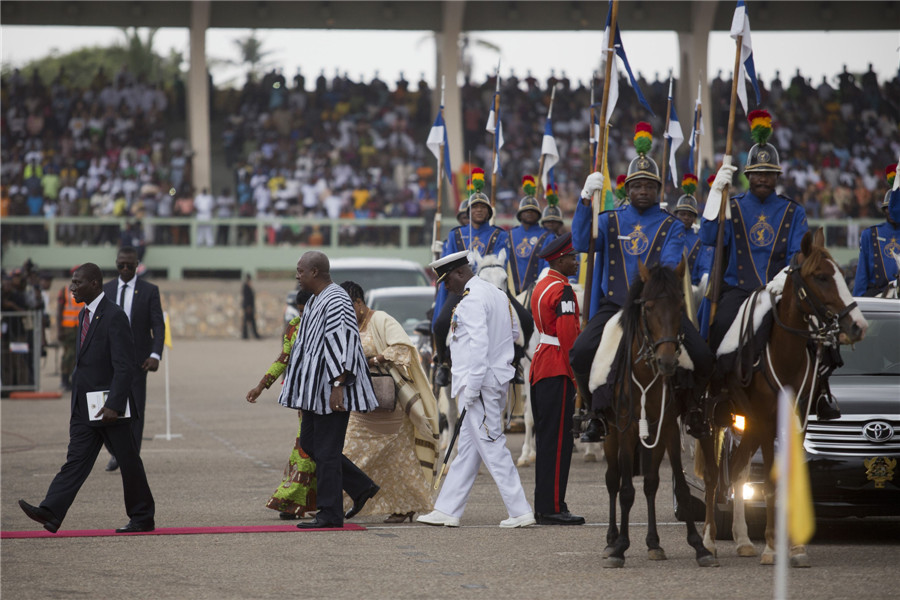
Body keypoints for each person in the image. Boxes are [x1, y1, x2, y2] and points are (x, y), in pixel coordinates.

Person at [570, 122, 713, 439]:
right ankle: (595, 413)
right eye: (637, 185)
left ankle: (692, 410)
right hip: (615, 307)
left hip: (658, 308)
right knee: (580, 353)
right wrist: (584, 201)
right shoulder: (608, 220)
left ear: (659, 190)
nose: (643, 190)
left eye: (650, 185)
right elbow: (580, 242)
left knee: (702, 357)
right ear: (627, 189)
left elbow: (672, 262)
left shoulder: (672, 225)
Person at [18, 263, 155, 534]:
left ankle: (143, 517)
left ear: (94, 284)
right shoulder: (84, 314)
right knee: (76, 459)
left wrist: (115, 404)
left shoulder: (114, 316)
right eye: (72, 282)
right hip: (85, 407)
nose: (71, 288)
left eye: (77, 283)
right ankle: (52, 511)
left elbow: (124, 365)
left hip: (109, 408)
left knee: (128, 462)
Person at [417, 250, 535, 528]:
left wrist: (471, 389)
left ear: (460, 273)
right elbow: (516, 333)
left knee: (493, 446)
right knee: (468, 450)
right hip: (493, 380)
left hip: (479, 385)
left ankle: (520, 510)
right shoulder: (496, 293)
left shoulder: (471, 300)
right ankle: (448, 509)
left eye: (447, 281)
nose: (447, 287)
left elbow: (478, 347)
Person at [277, 251, 380, 529]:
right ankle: (360, 487)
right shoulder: (314, 300)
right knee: (312, 444)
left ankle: (330, 514)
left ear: (315, 272)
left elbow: (343, 344)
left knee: (326, 451)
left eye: (300, 271)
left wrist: (338, 386)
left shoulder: (336, 300)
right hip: (313, 393)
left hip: (331, 390)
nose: (297, 276)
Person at [339, 281, 440, 523]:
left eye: (348, 308)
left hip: (389, 403)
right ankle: (335, 502)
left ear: (360, 304)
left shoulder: (381, 319)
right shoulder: (347, 325)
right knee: (348, 451)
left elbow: (404, 349)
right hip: (360, 403)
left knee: (399, 460)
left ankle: (405, 508)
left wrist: (374, 360)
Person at [431, 168, 509, 387]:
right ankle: (443, 364)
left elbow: (504, 258)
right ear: (469, 210)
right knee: (440, 323)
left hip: (492, 287)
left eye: (483, 207)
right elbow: (448, 262)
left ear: (489, 211)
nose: (479, 210)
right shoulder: (456, 234)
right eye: (475, 207)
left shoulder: (499, 234)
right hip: (463, 290)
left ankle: (519, 359)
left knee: (523, 319)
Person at [246, 289, 317, 519]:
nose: (304, 315)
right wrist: (260, 386)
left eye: (307, 311)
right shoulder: (294, 327)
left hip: (324, 398)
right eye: (300, 311)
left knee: (309, 450)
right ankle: (304, 503)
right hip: (302, 400)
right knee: (308, 449)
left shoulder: (325, 326)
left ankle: (297, 503)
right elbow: (283, 359)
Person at [529, 233, 584, 525]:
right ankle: (552, 507)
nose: (576, 262)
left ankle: (547, 504)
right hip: (557, 366)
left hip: (542, 363)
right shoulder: (563, 291)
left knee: (548, 440)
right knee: (559, 442)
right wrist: (577, 374)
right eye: (572, 257)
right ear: (560, 260)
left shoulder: (542, 285)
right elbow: (569, 337)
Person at [102, 247, 165, 472]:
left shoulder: (150, 291)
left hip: (139, 361)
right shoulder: (105, 289)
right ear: (116, 264)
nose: (126, 269)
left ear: (138, 264)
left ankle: (130, 457)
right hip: (109, 361)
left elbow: (158, 324)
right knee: (108, 407)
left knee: (136, 410)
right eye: (121, 265)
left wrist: (155, 354)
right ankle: (115, 452)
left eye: (130, 265)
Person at [853, 164, 899, 296]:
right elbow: (862, 272)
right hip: (877, 295)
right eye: (888, 208)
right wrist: (858, 301)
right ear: (884, 210)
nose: (891, 212)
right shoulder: (870, 234)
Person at [507, 175, 556, 295]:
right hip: (511, 294)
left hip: (536, 293)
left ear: (538, 215)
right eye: (526, 210)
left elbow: (548, 265)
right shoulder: (508, 235)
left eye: (533, 210)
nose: (529, 212)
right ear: (520, 214)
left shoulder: (548, 236)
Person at [56, 265, 83, 390]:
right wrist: (59, 329)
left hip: (82, 327)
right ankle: (65, 379)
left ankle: (75, 379)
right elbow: (59, 311)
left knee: (80, 354)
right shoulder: (65, 291)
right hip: (68, 328)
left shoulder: (86, 290)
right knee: (68, 354)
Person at [241, 273, 261, 339]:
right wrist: (248, 307)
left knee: (251, 322)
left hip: (250, 307)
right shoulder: (246, 287)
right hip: (248, 307)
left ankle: (251, 335)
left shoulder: (248, 286)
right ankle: (246, 335)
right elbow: (247, 298)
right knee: (247, 322)